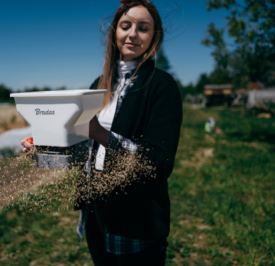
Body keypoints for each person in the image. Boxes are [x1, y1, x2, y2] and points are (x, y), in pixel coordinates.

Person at [21, 0, 182, 265]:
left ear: (154, 37)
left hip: (134, 223)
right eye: (126, 25)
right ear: (114, 33)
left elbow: (159, 163)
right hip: (95, 215)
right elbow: (83, 153)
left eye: (143, 28)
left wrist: (101, 134)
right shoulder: (99, 85)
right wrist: (42, 154)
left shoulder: (161, 86)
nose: (132, 34)